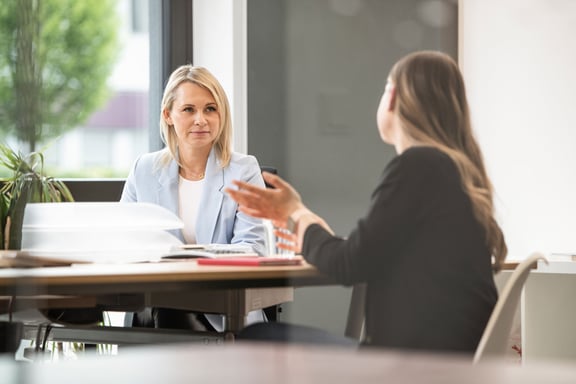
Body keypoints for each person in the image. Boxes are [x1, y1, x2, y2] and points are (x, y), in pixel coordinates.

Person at [227, 50, 507, 354]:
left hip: (408, 363)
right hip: (444, 358)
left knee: (260, 336)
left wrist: (295, 212)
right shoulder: (459, 172)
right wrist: (308, 226)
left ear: (394, 98)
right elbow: (365, 251)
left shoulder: (418, 166)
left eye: (386, 87)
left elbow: (349, 264)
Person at [121, 65, 267, 330]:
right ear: (168, 115)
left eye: (210, 109)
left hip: (222, 308)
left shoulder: (244, 170)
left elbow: (253, 247)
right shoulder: (144, 169)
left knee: (169, 313)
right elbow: (124, 241)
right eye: (189, 109)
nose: (201, 119)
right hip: (155, 302)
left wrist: (187, 260)